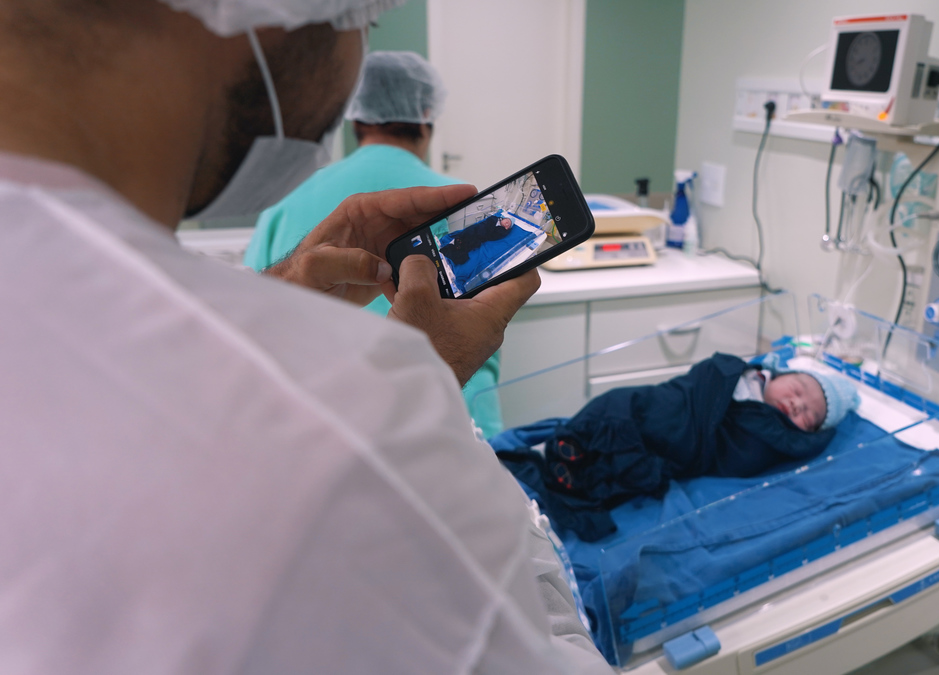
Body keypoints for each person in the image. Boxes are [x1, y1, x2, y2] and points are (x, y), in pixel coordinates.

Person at [0, 1, 610, 673]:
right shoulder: (359, 456)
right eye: (365, 19)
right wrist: (413, 390)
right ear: (268, 15)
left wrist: (273, 302)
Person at [245, 50, 507, 438]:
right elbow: (481, 330)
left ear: (355, 116)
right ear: (427, 114)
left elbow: (251, 315)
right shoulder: (462, 203)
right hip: (451, 420)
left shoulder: (286, 201)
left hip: (322, 426)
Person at [498, 353, 861, 541]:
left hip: (686, 441)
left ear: (810, 433)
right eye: (798, 391)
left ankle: (574, 469)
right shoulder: (739, 372)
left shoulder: (770, 436)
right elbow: (702, 378)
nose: (797, 405)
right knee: (623, 404)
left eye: (810, 416)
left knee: (641, 460)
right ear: (779, 374)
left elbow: (737, 455)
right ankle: (574, 445)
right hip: (672, 402)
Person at [440, 213, 515, 265]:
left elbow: (493, 236)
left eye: (509, 225)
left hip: (482, 236)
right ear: (503, 219)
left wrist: (504, 230)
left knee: (473, 244)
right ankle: (456, 244)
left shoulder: (501, 231)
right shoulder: (494, 218)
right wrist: (491, 228)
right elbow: (487, 222)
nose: (507, 223)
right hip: (477, 228)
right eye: (507, 221)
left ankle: (457, 247)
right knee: (468, 232)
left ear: (507, 228)